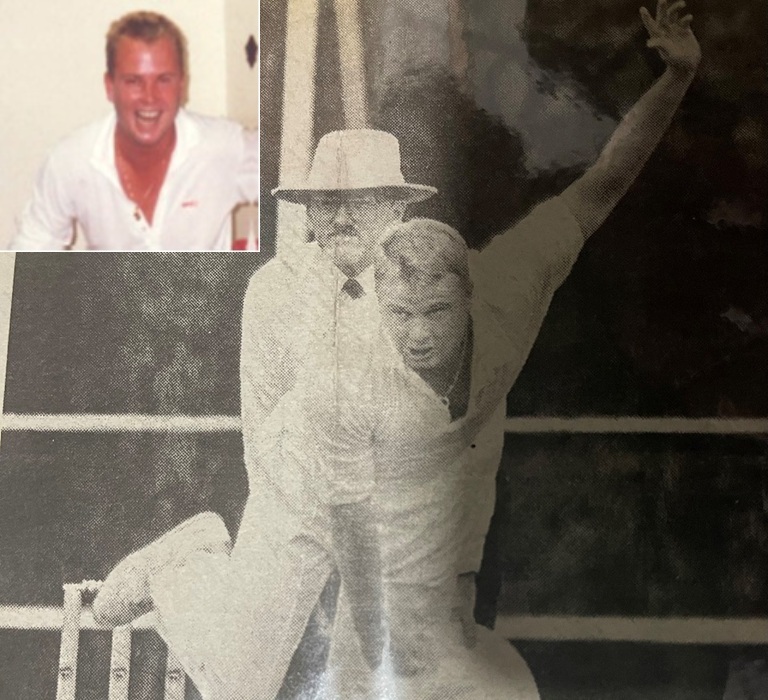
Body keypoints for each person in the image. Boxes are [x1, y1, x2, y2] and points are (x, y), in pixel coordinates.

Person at [309, 2, 701, 696]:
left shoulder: (510, 285)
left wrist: (677, 78)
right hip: (371, 595)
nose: (419, 335)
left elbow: (605, 182)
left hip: (459, 573)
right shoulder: (349, 371)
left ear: (469, 298)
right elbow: (348, 529)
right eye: (401, 316)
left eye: (437, 313)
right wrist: (381, 658)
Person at [93, 129, 437, 699]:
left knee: (400, 674)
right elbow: (262, 418)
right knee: (238, 685)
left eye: (359, 201)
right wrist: (274, 544)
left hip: (389, 508)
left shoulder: (427, 288)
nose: (341, 218)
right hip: (296, 498)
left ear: (397, 209)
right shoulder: (276, 289)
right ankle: (184, 566)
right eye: (326, 203)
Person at [9, 11, 257, 251]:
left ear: (182, 85)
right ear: (110, 87)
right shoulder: (71, 161)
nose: (150, 97)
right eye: (133, 81)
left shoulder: (224, 147)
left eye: (163, 80)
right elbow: (29, 252)